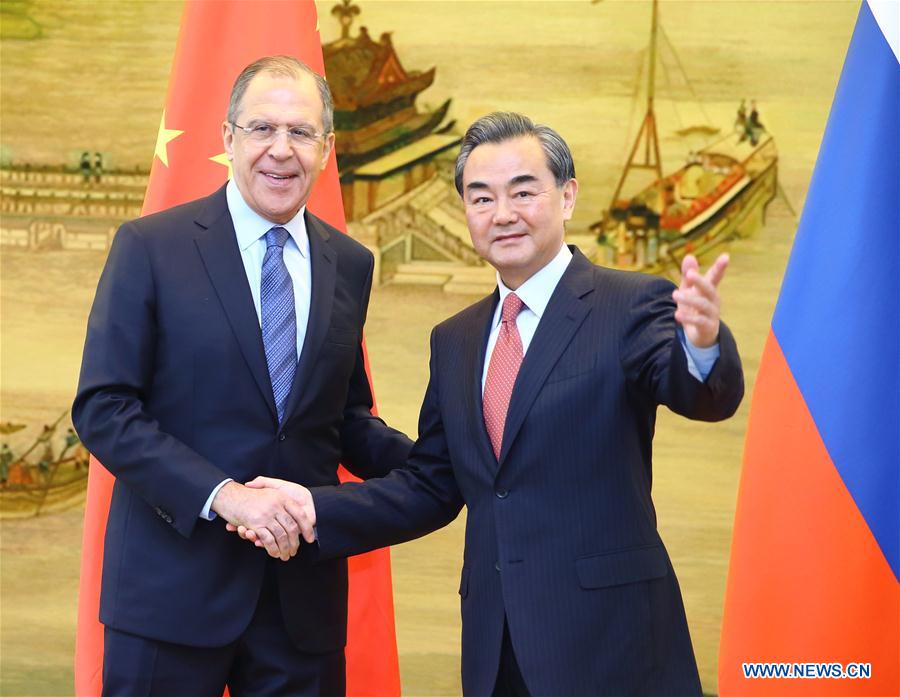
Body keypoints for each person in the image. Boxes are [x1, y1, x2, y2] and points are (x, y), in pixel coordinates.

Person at [235, 112, 745, 696]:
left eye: (523, 191)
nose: (503, 213)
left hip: (614, 645)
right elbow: (432, 483)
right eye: (481, 198)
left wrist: (702, 344)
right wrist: (312, 509)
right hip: (496, 649)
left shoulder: (629, 305)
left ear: (568, 195)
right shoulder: (454, 339)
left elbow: (700, 393)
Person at [72, 55, 412, 696]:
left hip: (299, 607)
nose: (281, 151)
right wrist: (226, 495)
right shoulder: (152, 246)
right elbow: (105, 408)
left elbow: (343, 420)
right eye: (262, 129)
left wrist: (446, 460)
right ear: (228, 138)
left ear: (327, 147)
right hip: (170, 597)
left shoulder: (351, 263)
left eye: (301, 133)